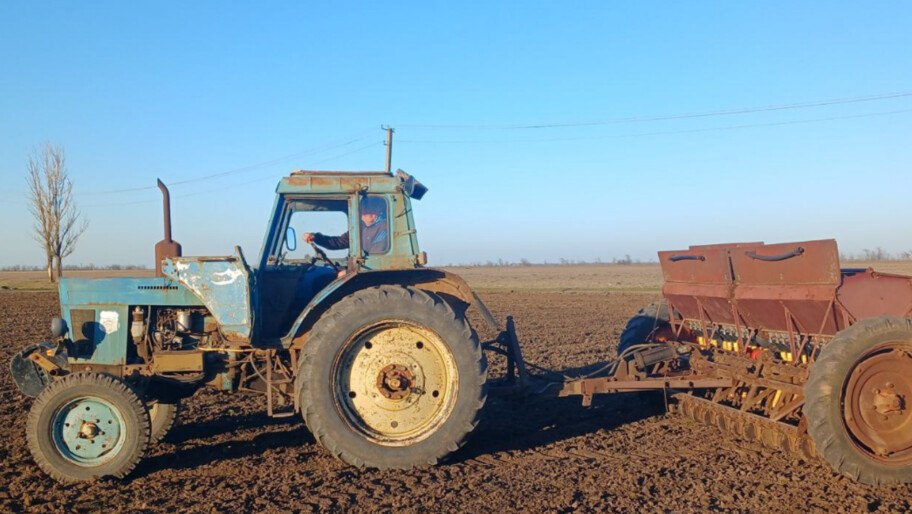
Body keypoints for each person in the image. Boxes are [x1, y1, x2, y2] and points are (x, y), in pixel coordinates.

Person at [302, 196, 389, 255]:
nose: (363, 212)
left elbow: (376, 255)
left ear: (376, 212)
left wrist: (348, 272)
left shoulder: (385, 228)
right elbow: (339, 242)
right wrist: (316, 237)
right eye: (362, 209)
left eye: (367, 209)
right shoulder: (361, 228)